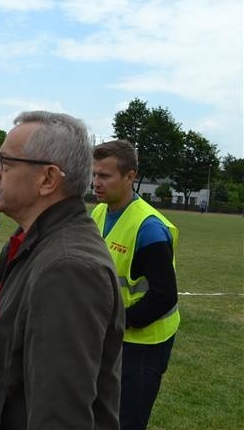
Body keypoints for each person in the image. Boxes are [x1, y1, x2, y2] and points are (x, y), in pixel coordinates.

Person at [0, 111, 125, 429]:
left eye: (6, 162)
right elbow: (7, 336)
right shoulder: (31, 241)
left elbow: (60, 415)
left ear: (48, 179)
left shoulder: (69, 268)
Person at [92, 139, 180, 430]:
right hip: (112, 335)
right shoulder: (99, 213)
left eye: (104, 176)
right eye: (94, 174)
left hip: (144, 343)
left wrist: (117, 322)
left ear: (130, 176)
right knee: (99, 413)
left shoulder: (149, 229)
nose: (96, 182)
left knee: (127, 420)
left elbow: (164, 296)